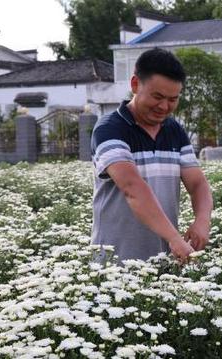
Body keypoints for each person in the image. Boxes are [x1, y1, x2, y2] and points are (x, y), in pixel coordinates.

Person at [91, 48, 213, 264]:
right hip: (114, 263)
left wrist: (202, 221)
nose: (164, 107)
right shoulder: (110, 129)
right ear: (135, 84)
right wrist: (175, 238)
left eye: (173, 99)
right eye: (157, 97)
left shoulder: (174, 130)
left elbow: (197, 184)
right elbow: (132, 188)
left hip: (164, 259)